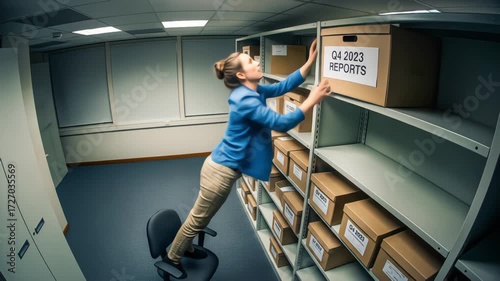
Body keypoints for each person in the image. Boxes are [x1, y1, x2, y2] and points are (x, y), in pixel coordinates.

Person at [166, 39, 331, 277]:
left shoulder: (251, 91)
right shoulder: (245, 99)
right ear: (242, 75)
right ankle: (173, 258)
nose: (257, 61)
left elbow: (281, 87)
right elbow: (282, 123)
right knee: (198, 219)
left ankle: (187, 246)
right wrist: (312, 100)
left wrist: (309, 62)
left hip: (220, 166)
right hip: (220, 173)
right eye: (251, 61)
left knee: (199, 216)